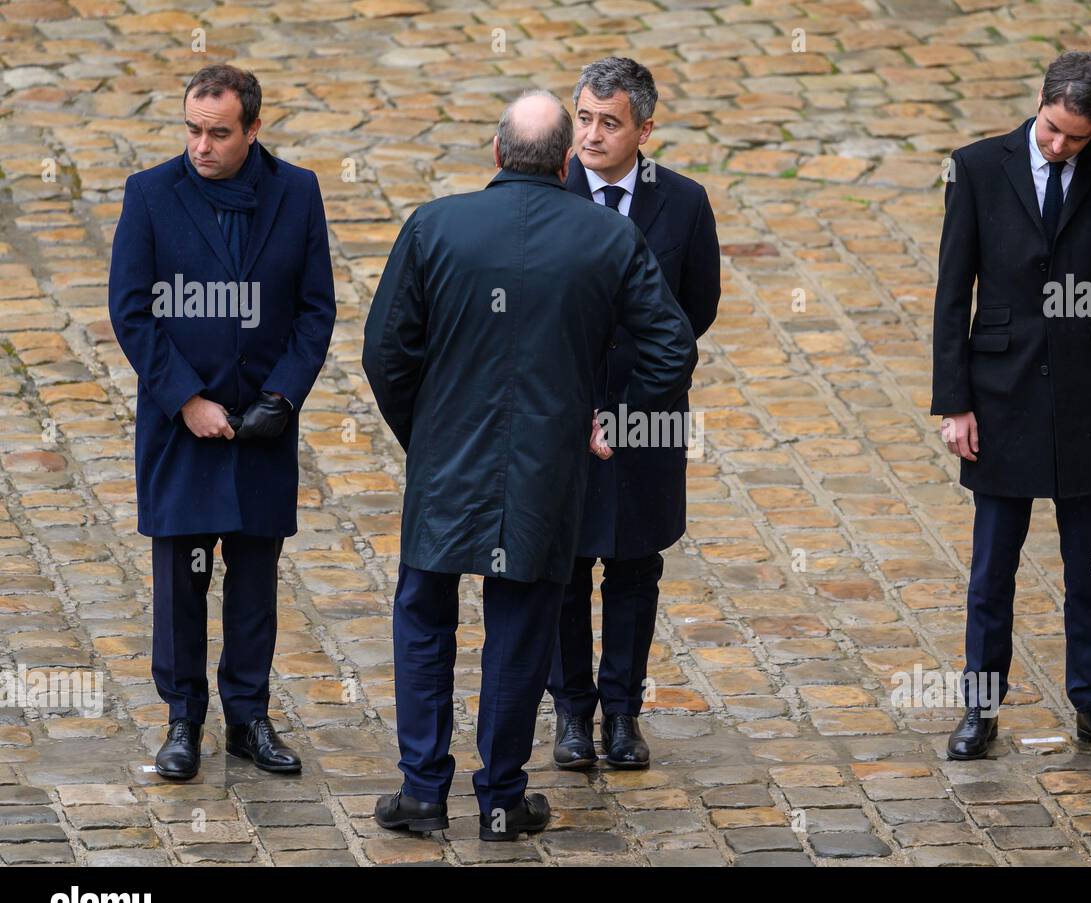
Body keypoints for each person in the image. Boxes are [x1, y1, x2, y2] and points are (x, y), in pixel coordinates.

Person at [364, 90, 697, 841]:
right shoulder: (605, 238)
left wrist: (426, 434)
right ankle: (503, 801)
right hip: (547, 470)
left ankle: (422, 792)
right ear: (563, 160)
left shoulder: (435, 225)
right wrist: (617, 418)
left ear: (495, 151)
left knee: (424, 618)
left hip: (447, 464)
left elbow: (385, 352)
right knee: (519, 627)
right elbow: (673, 345)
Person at [930, 51, 1091, 761]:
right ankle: (980, 708)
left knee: (1088, 568)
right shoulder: (976, 167)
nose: (1058, 146)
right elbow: (952, 292)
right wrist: (954, 402)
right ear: (1038, 104)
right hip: (1001, 394)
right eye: (1050, 130)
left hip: (1089, 396)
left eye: (1073, 136)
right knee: (991, 572)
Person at [108, 64, 336, 780]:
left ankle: (249, 717)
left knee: (255, 578)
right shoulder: (150, 194)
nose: (201, 146)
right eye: (192, 130)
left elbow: (315, 308)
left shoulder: (297, 192)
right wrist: (186, 399)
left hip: (263, 425)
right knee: (182, 577)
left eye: (217, 133)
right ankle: (182, 720)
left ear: (253, 130)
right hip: (182, 428)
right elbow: (131, 310)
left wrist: (284, 396)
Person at [549, 57, 721, 771]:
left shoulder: (682, 202)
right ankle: (570, 714)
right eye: (583, 117)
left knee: (634, 565)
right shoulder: (547, 191)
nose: (590, 134)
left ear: (643, 129)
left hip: (647, 418)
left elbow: (695, 310)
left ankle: (622, 714)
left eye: (608, 122)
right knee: (563, 565)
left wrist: (629, 406)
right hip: (562, 410)